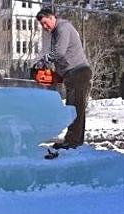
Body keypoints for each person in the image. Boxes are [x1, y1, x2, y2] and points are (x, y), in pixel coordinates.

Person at [33, 8, 92, 149]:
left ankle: (72, 141)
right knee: (74, 107)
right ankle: (74, 140)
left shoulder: (63, 27)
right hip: (71, 73)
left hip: (78, 72)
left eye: (45, 23)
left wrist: (45, 59)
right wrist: (52, 76)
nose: (45, 27)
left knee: (75, 107)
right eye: (42, 25)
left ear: (52, 17)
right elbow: (62, 57)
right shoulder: (56, 32)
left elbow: (59, 52)